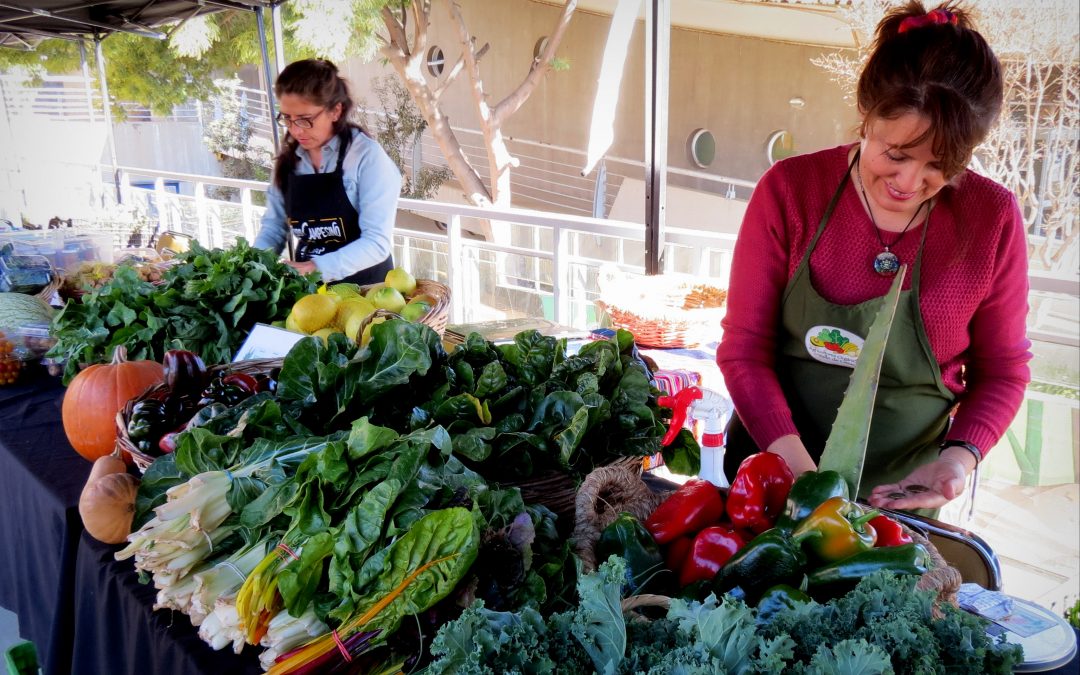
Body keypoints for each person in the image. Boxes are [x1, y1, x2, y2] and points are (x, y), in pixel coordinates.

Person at [716, 1, 1031, 513]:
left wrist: (957, 459)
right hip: (773, 476)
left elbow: (1003, 372)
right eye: (896, 154)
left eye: (941, 166)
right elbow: (744, 348)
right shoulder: (791, 191)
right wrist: (807, 481)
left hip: (899, 503)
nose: (910, 183)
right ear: (866, 113)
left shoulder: (991, 218)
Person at [255, 59, 402, 285]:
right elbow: (274, 228)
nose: (295, 130)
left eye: (305, 120)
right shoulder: (288, 163)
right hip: (309, 292)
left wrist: (314, 268)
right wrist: (253, 266)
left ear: (335, 111)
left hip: (365, 293)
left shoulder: (366, 157)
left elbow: (376, 243)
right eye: (287, 118)